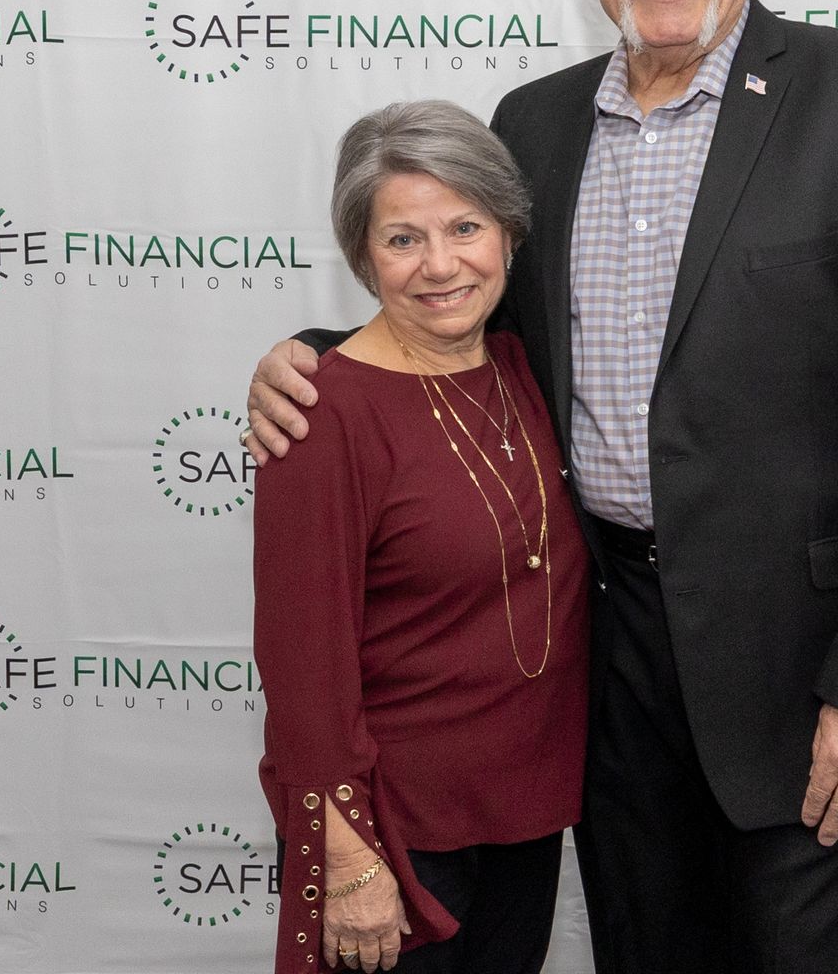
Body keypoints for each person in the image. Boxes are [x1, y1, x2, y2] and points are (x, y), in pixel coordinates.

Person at [244, 0, 838, 972]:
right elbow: (470, 323)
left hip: (811, 673)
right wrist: (316, 355)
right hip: (605, 664)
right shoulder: (533, 124)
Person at [251, 100, 588, 974]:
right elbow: (303, 666)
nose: (441, 265)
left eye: (465, 227)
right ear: (363, 255)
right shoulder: (320, 415)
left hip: (525, 814)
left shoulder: (522, 368)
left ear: (510, 236)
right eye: (403, 239)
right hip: (396, 838)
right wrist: (346, 857)